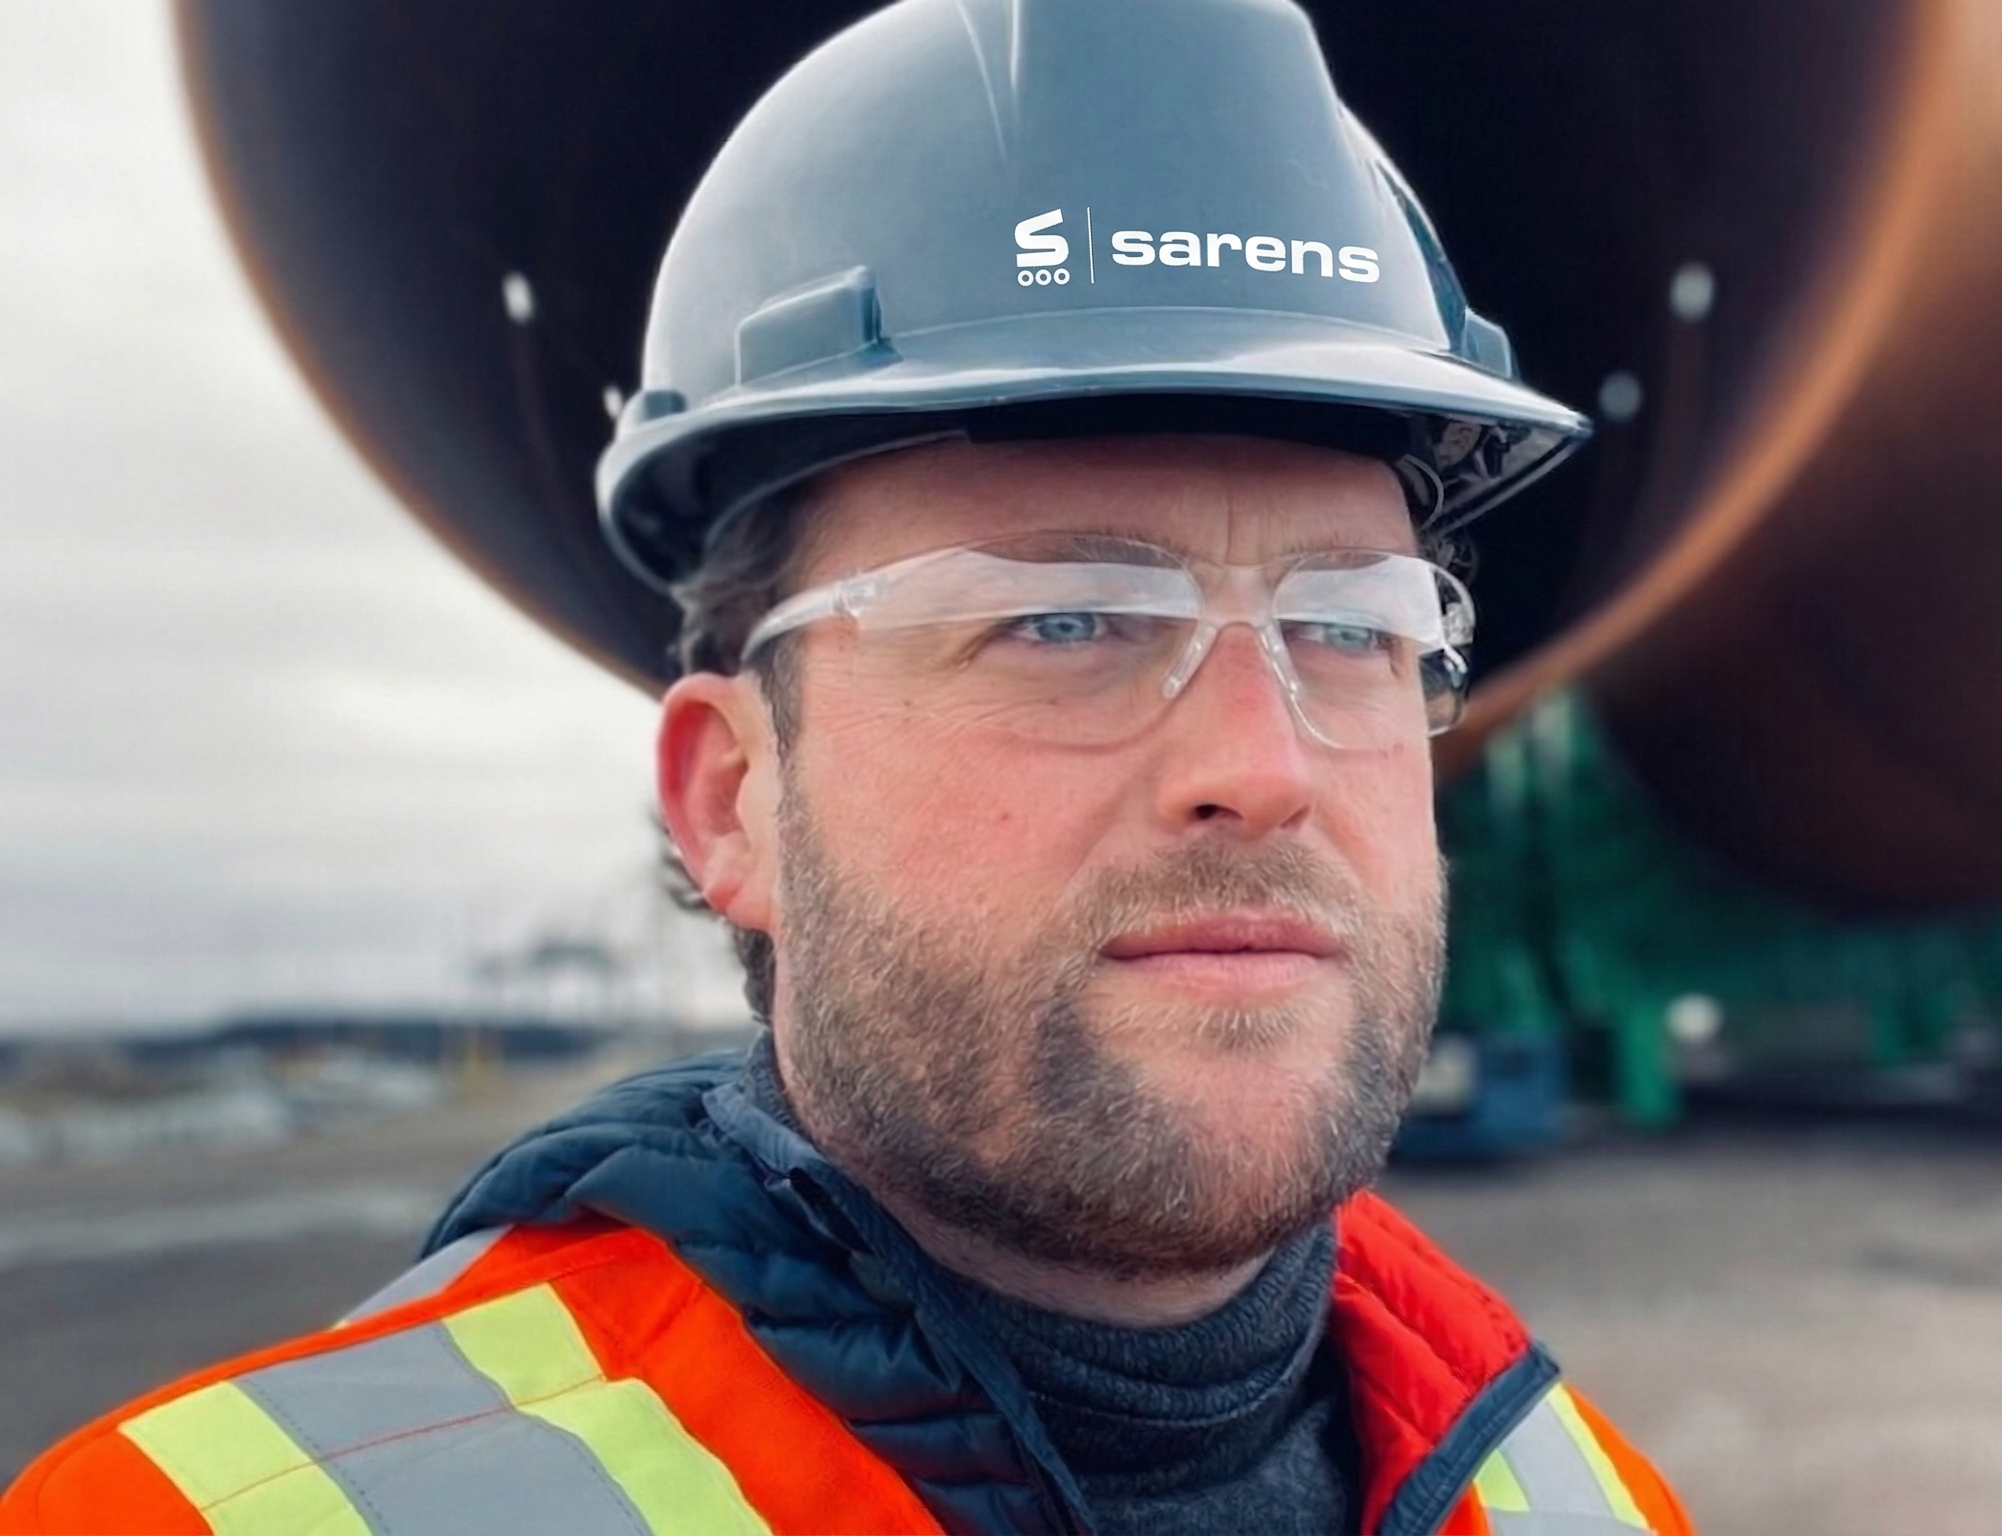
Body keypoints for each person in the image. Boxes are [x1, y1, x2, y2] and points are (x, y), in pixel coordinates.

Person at [5, 0, 1688, 1530]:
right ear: (731, 799)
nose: (1263, 766)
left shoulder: (1573, 1493)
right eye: (1063, 621)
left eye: (1348, 626)